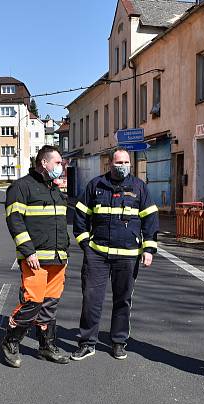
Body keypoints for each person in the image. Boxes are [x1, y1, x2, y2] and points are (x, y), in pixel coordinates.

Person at [71, 148, 159, 361]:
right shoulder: (96, 185)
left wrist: (149, 249)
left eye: (126, 162)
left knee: (123, 300)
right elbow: (80, 215)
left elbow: (150, 219)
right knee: (91, 299)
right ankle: (87, 343)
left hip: (127, 256)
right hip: (97, 255)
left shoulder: (139, 187)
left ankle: (119, 342)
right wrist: (85, 244)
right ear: (109, 164)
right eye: (119, 162)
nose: (123, 165)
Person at [0, 145, 71, 367]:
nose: (61, 166)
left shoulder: (55, 190)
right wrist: (28, 251)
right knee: (33, 302)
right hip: (35, 259)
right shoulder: (21, 187)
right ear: (44, 163)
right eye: (58, 162)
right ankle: (10, 342)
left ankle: (46, 346)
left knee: (50, 304)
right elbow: (15, 221)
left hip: (58, 259)